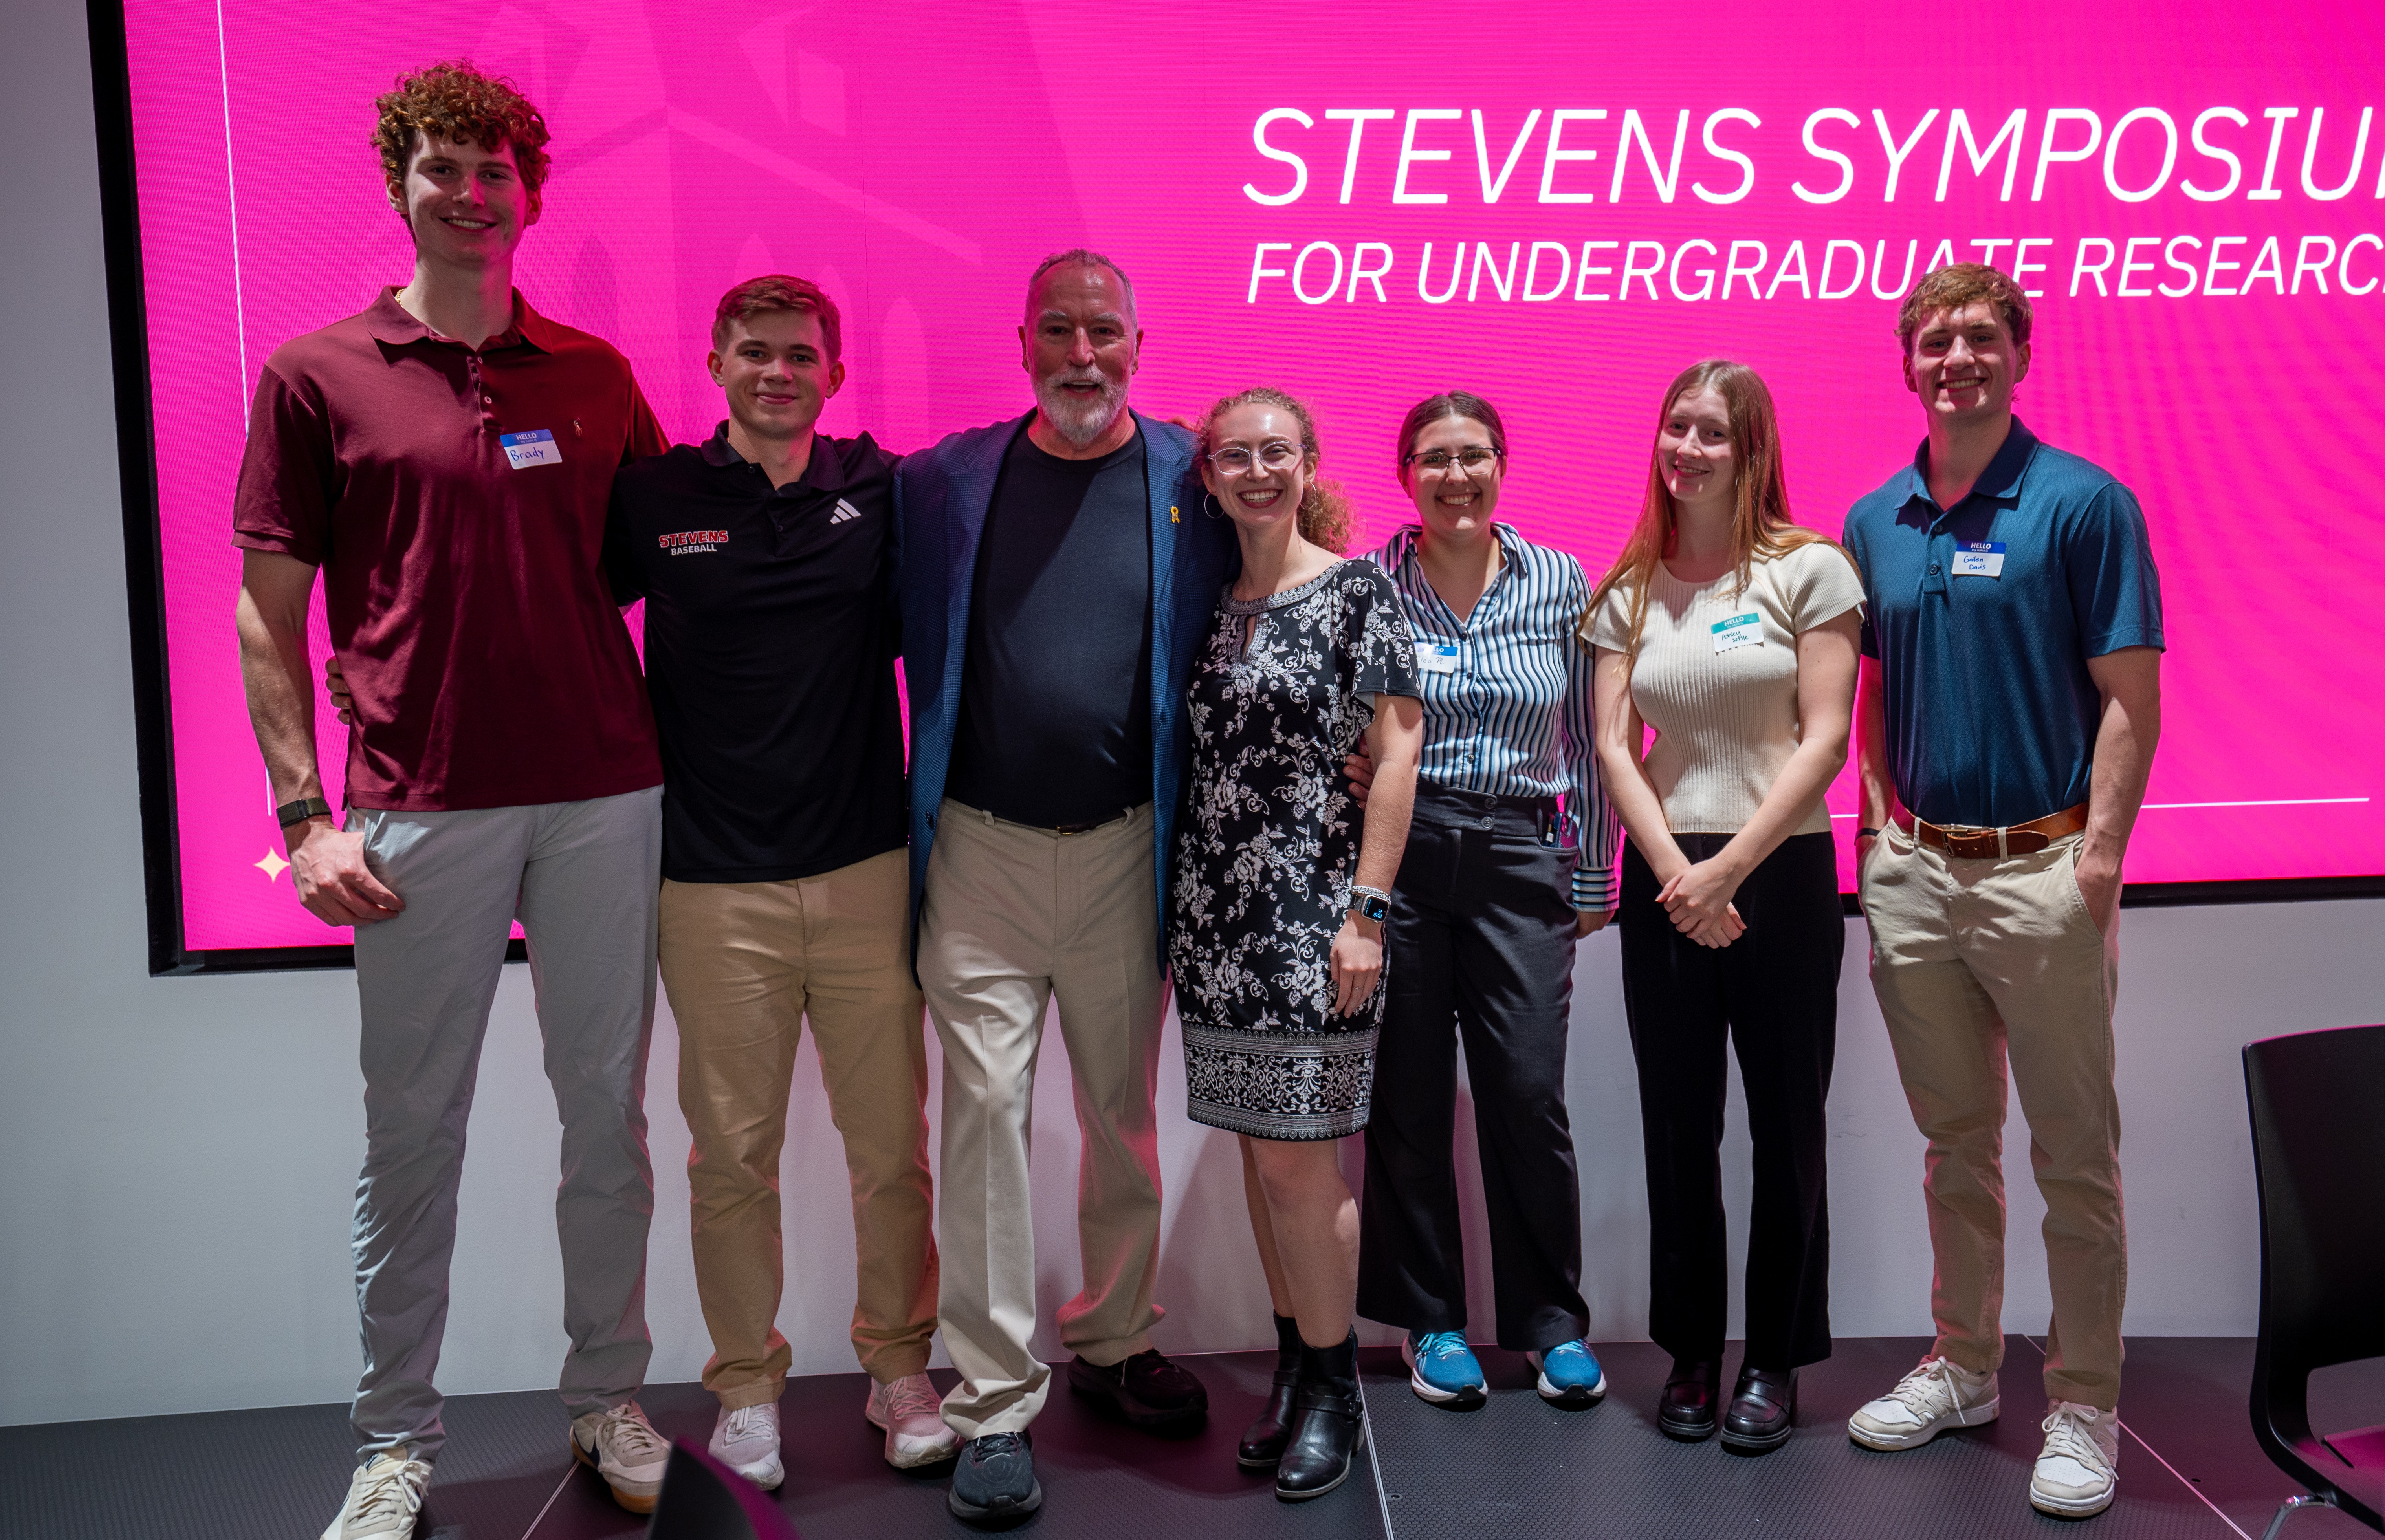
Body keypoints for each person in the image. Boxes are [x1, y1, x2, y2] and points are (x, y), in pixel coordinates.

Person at [232, 62, 675, 1537]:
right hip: (414, 810)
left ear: (530, 195)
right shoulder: (317, 371)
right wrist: (305, 817)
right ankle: (394, 1438)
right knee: (413, 1130)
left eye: (495, 171)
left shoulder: (600, 377)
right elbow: (265, 610)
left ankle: (608, 1393)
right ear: (401, 186)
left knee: (604, 1116)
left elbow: (660, 576)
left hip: (605, 796)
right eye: (442, 169)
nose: (471, 193)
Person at [893, 251, 1237, 1524]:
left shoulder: (1192, 481)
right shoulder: (943, 484)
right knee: (983, 1117)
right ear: (1022, 340)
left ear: (1140, 345)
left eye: (1104, 331)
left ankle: (1114, 1330)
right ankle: (992, 1399)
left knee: (1120, 1112)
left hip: (1125, 847)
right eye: (1058, 330)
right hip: (978, 853)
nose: (1081, 353)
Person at [604, 277, 950, 1484]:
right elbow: (559, 626)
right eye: (755, 353)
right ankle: (745, 1387)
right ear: (714, 363)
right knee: (730, 1157)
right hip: (709, 888)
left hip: (865, 873)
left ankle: (900, 1368)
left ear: (833, 373)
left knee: (891, 1151)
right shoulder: (653, 499)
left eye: (801, 355)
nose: (778, 372)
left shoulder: (884, 490)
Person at [1839, 264, 2161, 1519]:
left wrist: (2100, 858)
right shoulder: (1878, 516)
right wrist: (1872, 817)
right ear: (1908, 365)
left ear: (2018, 355)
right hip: (1915, 872)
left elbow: (2131, 695)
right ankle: (1966, 1364)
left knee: (2076, 1157)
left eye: (1980, 338)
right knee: (1953, 1146)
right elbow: (1868, 682)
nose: (1957, 359)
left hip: (2044, 870)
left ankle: (2083, 1399)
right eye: (1936, 342)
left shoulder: (2085, 504)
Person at [1586, 361, 1863, 1452]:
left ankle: (1778, 1359)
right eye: (1675, 428)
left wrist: (1728, 870)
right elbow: (1616, 744)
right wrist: (1677, 875)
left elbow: (1826, 738)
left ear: (1751, 451)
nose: (1688, 448)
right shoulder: (1628, 586)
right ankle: (1694, 1352)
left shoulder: (1811, 571)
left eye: (1712, 433)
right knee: (1678, 1129)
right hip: (1667, 881)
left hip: (1780, 875)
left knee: (1788, 1126)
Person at [1170, 388, 1423, 1499]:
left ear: (1308, 460)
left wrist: (1367, 911)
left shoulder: (1359, 589)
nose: (1258, 470)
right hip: (1214, 918)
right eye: (1237, 454)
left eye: (1278, 452)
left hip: (1316, 917)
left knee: (1298, 1162)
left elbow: (1398, 755)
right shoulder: (1211, 600)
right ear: (1212, 474)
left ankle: (1337, 1392)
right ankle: (1293, 1368)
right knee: (1254, 1155)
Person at [1346, 393, 1621, 1415]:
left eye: (1473, 456)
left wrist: (1594, 872)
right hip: (1404, 851)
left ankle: (1553, 1326)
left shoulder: (1559, 580)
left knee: (1526, 1093)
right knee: (1409, 1095)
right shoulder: (1370, 584)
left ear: (1503, 465)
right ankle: (1432, 1320)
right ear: (1405, 473)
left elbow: (1593, 739)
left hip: (1519, 853)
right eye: (1433, 459)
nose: (1454, 476)